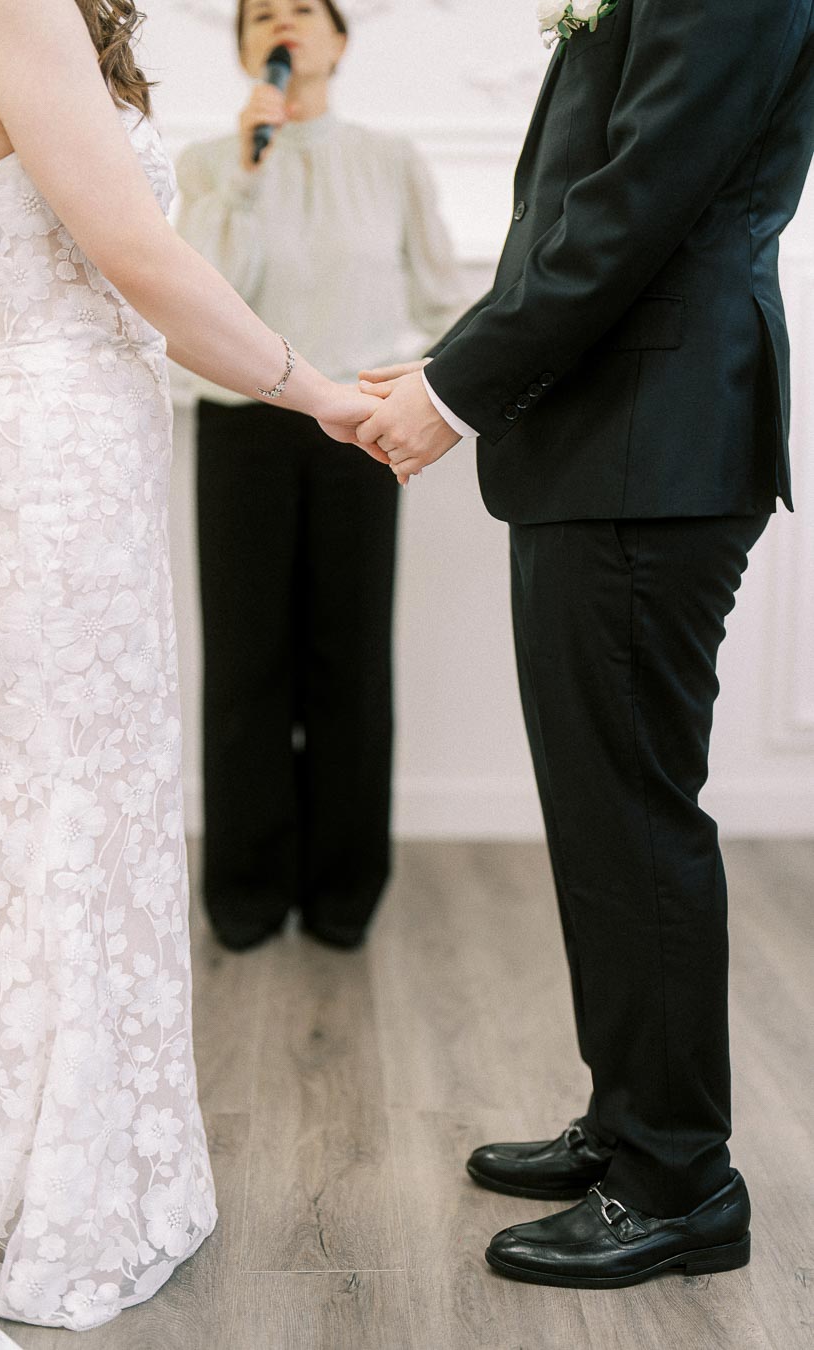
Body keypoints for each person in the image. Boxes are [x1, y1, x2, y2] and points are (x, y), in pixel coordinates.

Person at [0, 0, 380, 1344]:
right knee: (49, 815)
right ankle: (27, 1176)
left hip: (78, 448)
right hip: (49, 458)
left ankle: (83, 1158)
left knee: (83, 812)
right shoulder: (4, 0)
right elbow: (138, 259)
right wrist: (327, 394)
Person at [358, 0, 814, 1290]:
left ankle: (679, 1182)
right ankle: (633, 1123)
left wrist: (454, 392)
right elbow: (573, 211)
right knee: (602, 812)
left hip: (652, 446)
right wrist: (454, 361)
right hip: (608, 443)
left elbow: (634, 205)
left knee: (633, 814)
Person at [175, 0, 467, 952]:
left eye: (303, 8)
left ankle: (345, 894)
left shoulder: (391, 160)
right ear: (245, 48)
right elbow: (208, 305)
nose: (283, 23)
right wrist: (249, 174)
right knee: (245, 664)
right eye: (262, 14)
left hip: (363, 434)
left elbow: (441, 300)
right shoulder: (210, 167)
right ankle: (248, 892)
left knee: (348, 661)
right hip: (242, 430)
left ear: (339, 39)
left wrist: (424, 392)